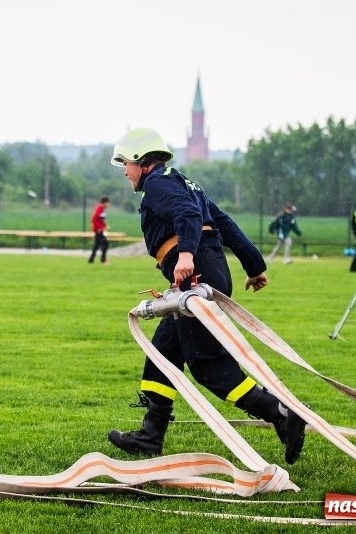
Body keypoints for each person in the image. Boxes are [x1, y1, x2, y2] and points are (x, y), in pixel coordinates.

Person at [106, 128, 306, 465]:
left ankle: (281, 414)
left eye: (126, 163)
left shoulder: (159, 184)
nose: (125, 171)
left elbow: (188, 217)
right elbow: (224, 223)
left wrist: (185, 255)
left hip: (195, 271)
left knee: (208, 366)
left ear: (141, 161)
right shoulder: (183, 182)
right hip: (206, 269)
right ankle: (150, 437)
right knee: (162, 353)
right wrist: (254, 265)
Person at [88, 196, 110, 264]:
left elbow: (100, 220)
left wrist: (105, 225)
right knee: (105, 244)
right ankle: (103, 260)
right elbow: (93, 219)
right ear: (105, 203)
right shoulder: (99, 208)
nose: (108, 205)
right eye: (108, 203)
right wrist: (99, 228)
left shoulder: (102, 209)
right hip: (98, 230)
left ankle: (91, 260)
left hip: (100, 230)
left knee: (97, 245)